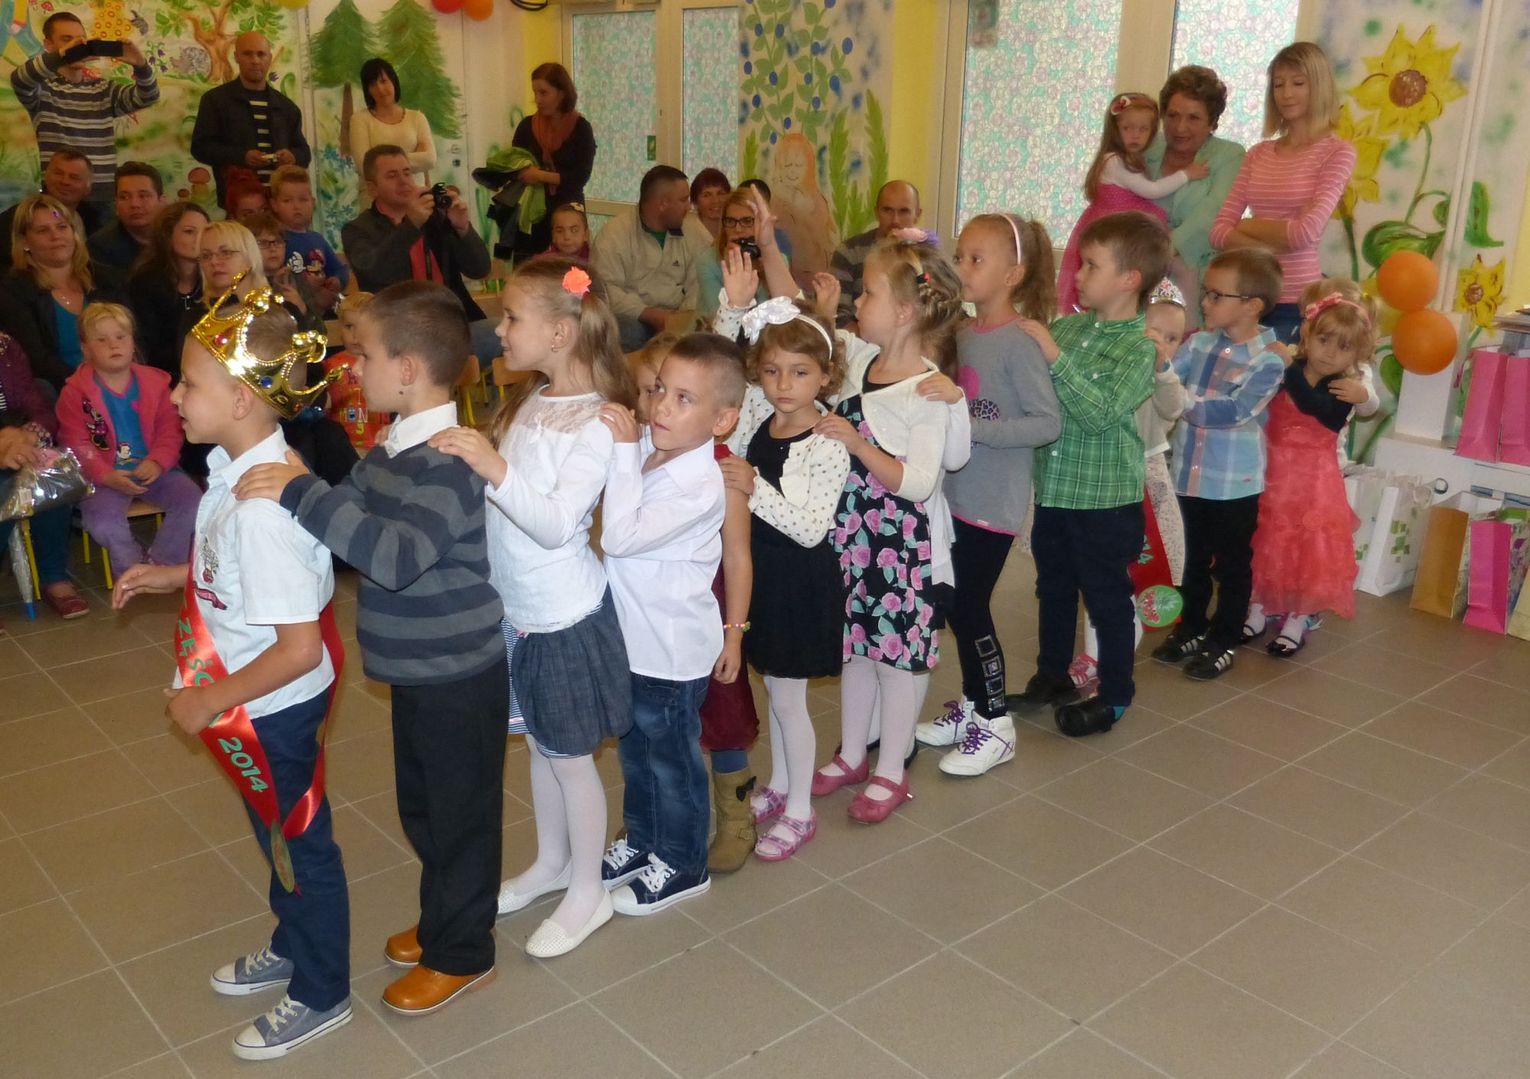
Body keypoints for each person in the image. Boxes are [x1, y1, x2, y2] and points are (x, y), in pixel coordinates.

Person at [234, 280, 507, 1017]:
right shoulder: (391, 446)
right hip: (418, 669)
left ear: (408, 369)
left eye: (364, 355)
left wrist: (301, 492)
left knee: (459, 816)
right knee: (424, 808)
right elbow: (346, 512)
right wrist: (301, 491)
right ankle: (447, 915)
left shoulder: (447, 462)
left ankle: (464, 951)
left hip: (458, 672)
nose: (353, 367)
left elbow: (394, 556)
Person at [110, 292, 350, 1061]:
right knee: (272, 829)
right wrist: (172, 575)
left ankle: (322, 989)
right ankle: (294, 938)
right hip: (257, 696)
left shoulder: (261, 509)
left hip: (270, 704)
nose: (174, 396)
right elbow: (235, 573)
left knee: (300, 841)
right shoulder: (235, 472)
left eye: (188, 383)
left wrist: (207, 698)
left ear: (241, 399)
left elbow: (298, 647)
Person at [430, 258, 635, 957]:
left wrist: (491, 464)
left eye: (512, 317)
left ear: (560, 332)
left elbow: (553, 523)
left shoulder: (598, 422)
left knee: (571, 758)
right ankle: (551, 862)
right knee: (541, 748)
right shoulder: (530, 401)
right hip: (516, 611)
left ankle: (589, 888)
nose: (499, 329)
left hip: (562, 618)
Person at [793, 233, 967, 822]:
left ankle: (891, 768)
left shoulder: (927, 391)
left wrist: (858, 444)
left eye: (867, 294)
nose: (858, 303)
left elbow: (919, 483)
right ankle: (852, 753)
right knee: (855, 653)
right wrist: (821, 311)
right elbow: (819, 343)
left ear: (904, 311)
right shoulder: (862, 360)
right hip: (853, 539)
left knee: (895, 661)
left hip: (899, 548)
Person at [1008, 211, 1168, 737]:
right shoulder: (1069, 327)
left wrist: (1054, 357)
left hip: (1105, 501)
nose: (1077, 274)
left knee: (1106, 599)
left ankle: (1116, 694)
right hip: (1055, 490)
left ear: (1129, 279)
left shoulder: (1139, 347)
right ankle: (1052, 676)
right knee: (1053, 588)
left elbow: (1099, 412)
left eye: (1092, 265)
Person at [598, 332, 742, 913]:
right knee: (635, 756)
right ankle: (643, 839)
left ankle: (684, 863)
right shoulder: (649, 451)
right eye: (659, 389)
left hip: (670, 654)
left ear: (722, 420)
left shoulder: (700, 486)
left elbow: (619, 536)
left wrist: (621, 453)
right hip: (633, 644)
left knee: (672, 763)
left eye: (684, 399)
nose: (661, 406)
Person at [913, 213, 1061, 777]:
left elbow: (1046, 424)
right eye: (960, 256)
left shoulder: (1019, 343)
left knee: (970, 606)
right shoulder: (961, 334)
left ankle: (997, 724)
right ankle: (975, 705)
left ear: (1013, 274)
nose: (963, 268)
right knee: (955, 604)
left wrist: (971, 425)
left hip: (993, 503)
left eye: (977, 259)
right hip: (953, 497)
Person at [715, 289, 850, 860]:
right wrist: (734, 307)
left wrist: (753, 487)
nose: (783, 384)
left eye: (799, 372)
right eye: (771, 371)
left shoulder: (827, 443)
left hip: (800, 584)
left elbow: (811, 528)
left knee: (790, 700)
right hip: (762, 578)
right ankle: (780, 782)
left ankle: (800, 810)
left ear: (825, 376)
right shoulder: (759, 419)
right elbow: (724, 370)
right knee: (773, 688)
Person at [1150, 249, 1285, 681]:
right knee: (1188, 559)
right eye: (1205, 293)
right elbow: (1166, 374)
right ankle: (1191, 626)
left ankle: (1223, 638)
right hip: (1186, 476)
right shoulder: (1199, 343)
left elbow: (1235, 410)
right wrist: (1157, 362)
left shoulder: (1269, 359)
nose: (1204, 302)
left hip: (1233, 486)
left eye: (1215, 295)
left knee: (1231, 567)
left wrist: (1178, 398)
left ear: (1252, 305)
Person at [1072, 280, 1191, 694]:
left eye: (1173, 338)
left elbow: (1174, 407)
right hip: (1103, 479)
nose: (1163, 344)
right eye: (1154, 332)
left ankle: (1112, 661)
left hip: (1144, 484)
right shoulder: (1111, 363)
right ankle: (1094, 656)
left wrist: (1162, 370)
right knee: (1098, 576)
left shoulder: (1165, 379)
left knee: (1137, 578)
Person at [1247, 282, 1374, 655]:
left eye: (1344, 347)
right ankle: (1258, 607)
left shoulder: (1343, 387)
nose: (1330, 352)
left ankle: (1298, 618)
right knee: (1267, 543)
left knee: (1309, 551)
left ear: (1358, 353)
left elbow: (1315, 408)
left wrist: (1288, 370)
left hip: (1315, 485)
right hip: (1272, 476)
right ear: (1307, 334)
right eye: (1323, 340)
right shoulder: (1289, 367)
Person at [188, 220, 355, 487]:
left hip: (286, 414)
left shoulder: (283, 308)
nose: (215, 262)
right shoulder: (199, 320)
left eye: (225, 252)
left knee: (328, 436)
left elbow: (310, 369)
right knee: (297, 444)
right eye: (206, 256)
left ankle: (337, 503)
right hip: (226, 421)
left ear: (249, 255)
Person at [1211, 42, 1356, 342]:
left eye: (1298, 83)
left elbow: (1304, 233)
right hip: (1245, 299)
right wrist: (1272, 245)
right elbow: (1218, 232)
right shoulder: (1258, 153)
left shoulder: (1337, 152)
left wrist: (1246, 225)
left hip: (1297, 303)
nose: (1286, 93)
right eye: (1279, 84)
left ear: (1319, 86)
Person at [54, 302, 199, 574]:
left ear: (133, 342)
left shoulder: (156, 384)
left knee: (194, 502)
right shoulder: (74, 393)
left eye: (121, 337)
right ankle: (131, 567)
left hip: (157, 471)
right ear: (85, 349)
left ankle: (164, 564)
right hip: (103, 479)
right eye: (101, 340)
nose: (113, 345)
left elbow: (171, 430)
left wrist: (157, 461)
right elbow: (76, 444)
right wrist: (105, 475)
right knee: (103, 524)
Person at [1057, 92, 1208, 315]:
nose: (1135, 135)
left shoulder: (1129, 159)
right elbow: (1151, 190)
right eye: (1127, 128)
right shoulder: (1114, 161)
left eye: (1143, 129)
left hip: (1117, 230)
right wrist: (1186, 174)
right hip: (1114, 232)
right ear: (1115, 130)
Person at [9, 12, 158, 199]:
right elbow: (20, 79)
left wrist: (141, 65)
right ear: (49, 45)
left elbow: (148, 97)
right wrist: (64, 55)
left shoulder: (103, 89)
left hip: (102, 195)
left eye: (81, 40)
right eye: (67, 40)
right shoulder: (43, 89)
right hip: (59, 193)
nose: (77, 45)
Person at [342, 145, 491, 322]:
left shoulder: (435, 217)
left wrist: (462, 228)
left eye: (407, 173)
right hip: (399, 326)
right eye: (392, 175)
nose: (403, 181)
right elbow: (377, 276)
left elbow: (479, 270)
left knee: (498, 332)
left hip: (455, 320)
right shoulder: (357, 229)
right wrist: (411, 224)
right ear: (372, 188)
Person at [0, 330, 88, 620]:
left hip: (15, 440)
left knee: (51, 479)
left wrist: (29, 435)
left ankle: (54, 576)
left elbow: (38, 406)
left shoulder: (6, 346)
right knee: (4, 489)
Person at [1144, 66, 1245, 315]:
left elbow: (1213, 213)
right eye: (1173, 115)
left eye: (1193, 118)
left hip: (1200, 286)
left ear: (1212, 123)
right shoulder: (1146, 148)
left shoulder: (1229, 155)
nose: (1180, 127)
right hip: (1140, 279)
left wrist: (1160, 252)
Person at [0, 193, 126, 391]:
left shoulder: (107, 279)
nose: (55, 236)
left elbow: (134, 337)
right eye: (43, 230)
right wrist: (89, 384)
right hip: (61, 389)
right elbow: (36, 360)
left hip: (120, 381)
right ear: (24, 242)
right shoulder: (14, 290)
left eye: (62, 227)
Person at [191, 32, 311, 208]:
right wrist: (241, 156)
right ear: (236, 57)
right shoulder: (215, 100)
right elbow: (201, 148)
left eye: (261, 54)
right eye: (247, 54)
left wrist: (292, 156)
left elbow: (304, 153)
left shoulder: (287, 107)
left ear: (270, 58)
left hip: (280, 205)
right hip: (238, 204)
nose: (255, 60)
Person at [590, 164, 700, 351]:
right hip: (635, 319)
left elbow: (700, 282)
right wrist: (648, 313)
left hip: (679, 318)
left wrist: (681, 319)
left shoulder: (693, 230)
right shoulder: (614, 234)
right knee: (625, 330)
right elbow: (604, 289)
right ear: (662, 204)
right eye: (683, 200)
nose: (688, 207)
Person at [506, 62, 596, 264]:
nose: (537, 99)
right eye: (535, 93)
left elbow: (579, 177)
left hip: (567, 213)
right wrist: (524, 174)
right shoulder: (526, 126)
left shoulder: (581, 128)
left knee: (568, 271)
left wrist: (539, 176)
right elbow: (514, 166)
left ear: (561, 93)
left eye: (544, 93)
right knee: (529, 271)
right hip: (531, 214)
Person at [127, 201, 208, 377]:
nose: (200, 238)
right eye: (189, 232)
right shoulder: (145, 283)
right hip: (159, 375)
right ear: (167, 235)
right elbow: (146, 345)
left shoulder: (214, 280)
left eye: (205, 231)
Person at [828, 180, 921, 329]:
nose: (895, 220)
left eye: (904, 211)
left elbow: (939, 311)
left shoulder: (927, 257)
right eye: (887, 210)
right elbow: (838, 314)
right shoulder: (849, 252)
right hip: (859, 338)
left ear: (917, 214)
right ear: (876, 212)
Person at [696, 188, 795, 322]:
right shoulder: (707, 262)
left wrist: (761, 272)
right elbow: (720, 319)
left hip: (764, 333)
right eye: (731, 221)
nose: (738, 229)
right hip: (714, 331)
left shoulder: (778, 260)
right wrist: (732, 273)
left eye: (747, 221)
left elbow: (786, 313)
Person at [0, 148, 103, 273]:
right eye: (58, 173)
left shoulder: (97, 221)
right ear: (46, 176)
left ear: (88, 187)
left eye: (74, 177)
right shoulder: (16, 218)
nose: (65, 181)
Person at [348, 58, 436, 195]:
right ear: (367, 90)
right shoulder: (359, 120)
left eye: (383, 81)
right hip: (377, 200)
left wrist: (381, 165)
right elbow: (364, 167)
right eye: (372, 84)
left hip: (415, 196)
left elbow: (430, 159)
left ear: (393, 81)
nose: (380, 89)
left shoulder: (417, 118)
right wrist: (416, 159)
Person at [270, 164, 347, 314]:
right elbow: (273, 278)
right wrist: (305, 285)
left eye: (303, 200)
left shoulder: (317, 239)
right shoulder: (276, 242)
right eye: (287, 201)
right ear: (274, 205)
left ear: (313, 202)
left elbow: (338, 269)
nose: (296, 206)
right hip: (291, 312)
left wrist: (337, 281)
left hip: (322, 313)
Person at [322, 292, 390, 454]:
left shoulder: (386, 363)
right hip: (342, 446)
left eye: (362, 327)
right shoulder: (329, 366)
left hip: (381, 442)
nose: (355, 335)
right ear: (339, 327)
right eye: (349, 326)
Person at [769, 132, 836, 273]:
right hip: (789, 271)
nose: (792, 171)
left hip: (817, 268)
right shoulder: (777, 202)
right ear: (779, 167)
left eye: (798, 165)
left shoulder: (817, 199)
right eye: (787, 165)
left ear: (808, 167)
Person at [87, 161, 163, 271]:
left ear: (161, 201)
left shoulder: (177, 235)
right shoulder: (100, 248)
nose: (134, 204)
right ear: (116, 204)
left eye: (143, 196)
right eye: (124, 197)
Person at [689, 168, 730, 241]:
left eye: (720, 193)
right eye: (706, 195)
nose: (715, 200)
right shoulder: (687, 228)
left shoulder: (736, 227)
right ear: (695, 201)